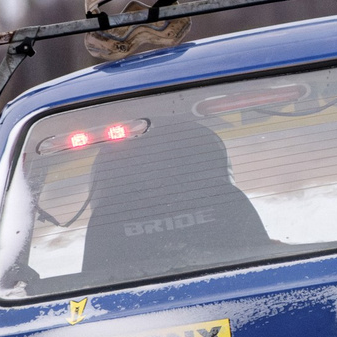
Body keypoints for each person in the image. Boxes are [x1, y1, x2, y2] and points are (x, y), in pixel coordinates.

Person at [75, 109, 271, 287]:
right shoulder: (227, 200)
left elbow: (90, 292)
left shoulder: (109, 219)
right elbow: (267, 269)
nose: (156, 175)